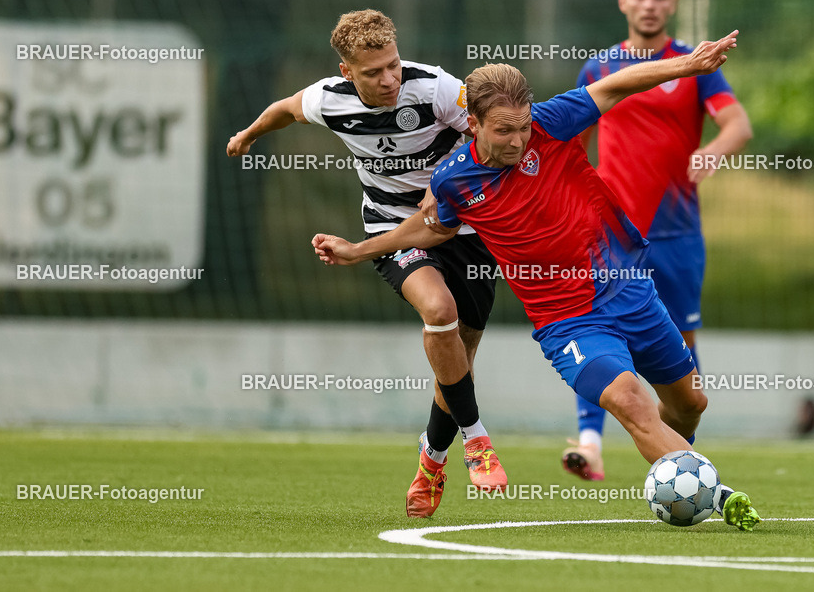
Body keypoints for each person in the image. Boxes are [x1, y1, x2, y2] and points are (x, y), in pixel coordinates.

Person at [312, 32, 760, 530]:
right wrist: (360, 249)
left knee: (690, 403)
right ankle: (713, 495)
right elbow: (431, 228)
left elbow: (615, 86)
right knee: (632, 404)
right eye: (504, 130)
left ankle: (679, 465)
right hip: (568, 323)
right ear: (473, 124)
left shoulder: (550, 123)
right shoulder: (453, 180)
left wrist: (685, 67)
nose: (518, 139)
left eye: (523, 127)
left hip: (629, 290)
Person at [226, 9, 506, 518]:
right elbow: (285, 109)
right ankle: (478, 440)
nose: (389, 79)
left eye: (393, 65)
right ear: (346, 71)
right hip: (392, 231)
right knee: (437, 310)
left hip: (467, 229)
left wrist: (445, 175)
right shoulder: (328, 98)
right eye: (373, 72)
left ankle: (431, 460)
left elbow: (490, 130)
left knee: (459, 357)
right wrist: (248, 135)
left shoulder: (436, 88)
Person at [564, 0, 753, 481]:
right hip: (611, 235)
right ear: (623, 1)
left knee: (682, 353)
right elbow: (572, 148)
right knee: (602, 330)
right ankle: (589, 443)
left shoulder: (696, 67)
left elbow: (738, 123)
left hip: (677, 235)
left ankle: (679, 462)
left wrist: (714, 150)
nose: (649, 5)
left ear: (672, 3)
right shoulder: (599, 71)